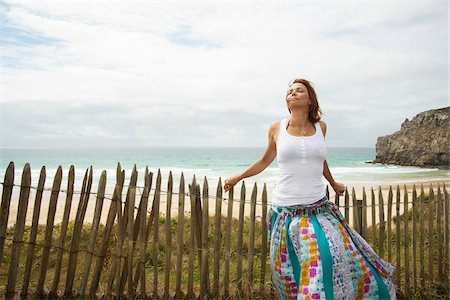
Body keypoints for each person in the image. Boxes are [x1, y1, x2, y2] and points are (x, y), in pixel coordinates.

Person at [224, 78, 396, 299]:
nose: (292, 94)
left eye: (299, 91)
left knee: (324, 258)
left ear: (310, 101)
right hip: (284, 212)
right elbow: (264, 160)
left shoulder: (320, 127)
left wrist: (332, 184)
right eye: (289, 92)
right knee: (290, 274)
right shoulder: (277, 128)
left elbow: (320, 160)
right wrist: (238, 177)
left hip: (317, 210)